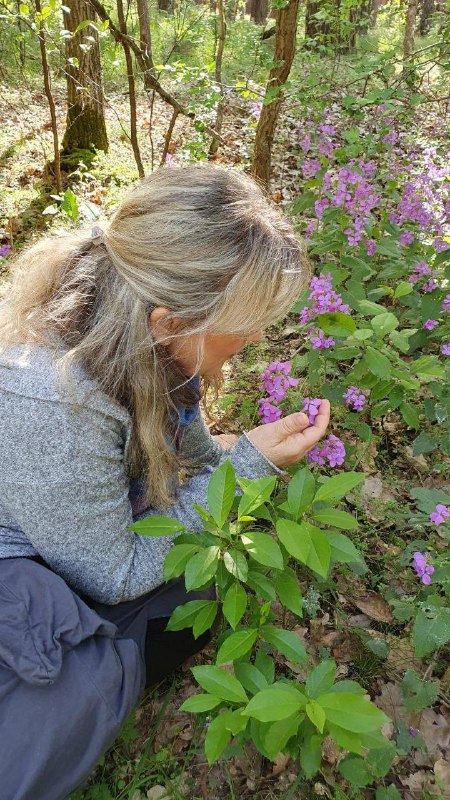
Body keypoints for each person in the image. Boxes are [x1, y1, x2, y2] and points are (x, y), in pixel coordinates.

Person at [0, 163, 330, 799]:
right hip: (21, 553)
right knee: (77, 677)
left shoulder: (142, 333)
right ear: (170, 320)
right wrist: (248, 468)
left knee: (204, 583)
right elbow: (112, 573)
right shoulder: (48, 399)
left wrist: (235, 461)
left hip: (71, 523)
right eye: (247, 320)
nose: (259, 336)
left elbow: (192, 447)